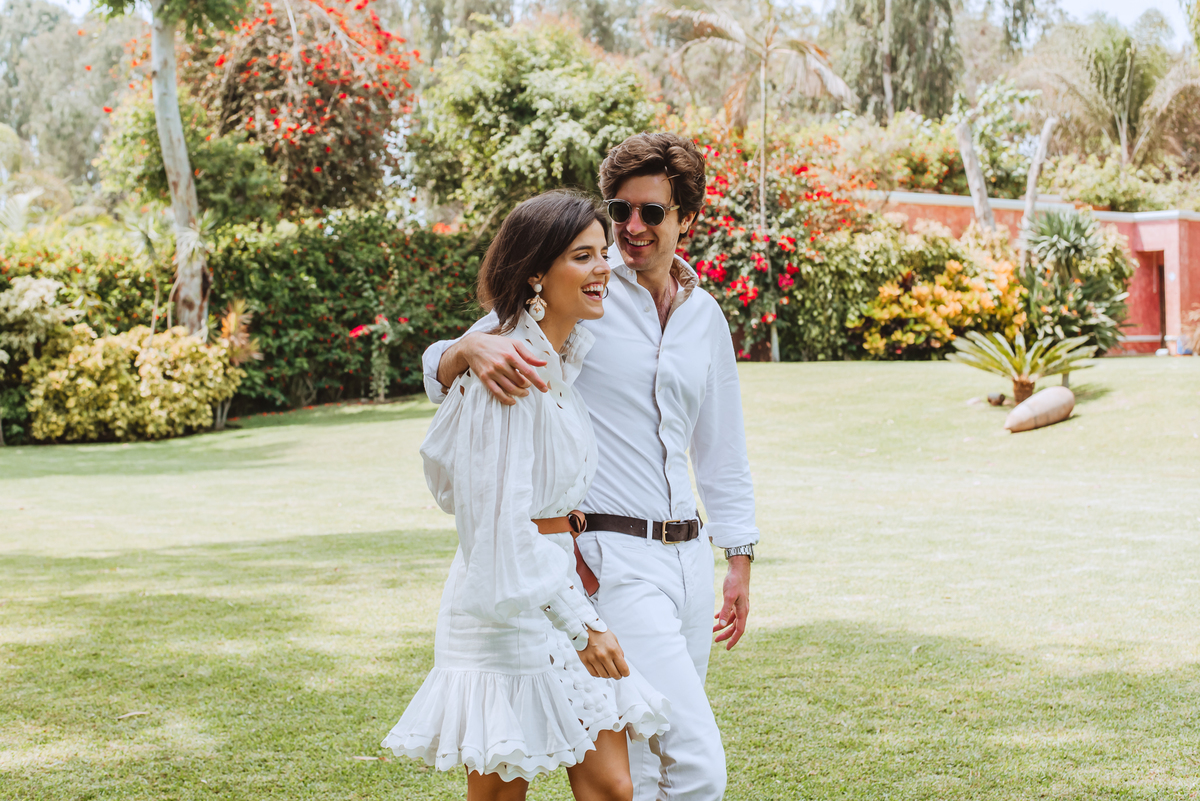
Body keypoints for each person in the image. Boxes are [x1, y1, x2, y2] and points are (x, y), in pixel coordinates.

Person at [423, 133, 759, 800]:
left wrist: (738, 556)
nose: (631, 229)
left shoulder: (704, 316)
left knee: (648, 760)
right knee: (692, 760)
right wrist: (464, 354)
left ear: (685, 219)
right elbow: (470, 344)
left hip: (688, 559)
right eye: (620, 210)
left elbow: (721, 444)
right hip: (609, 557)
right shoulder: (585, 293)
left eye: (651, 213)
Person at [382, 190, 670, 801]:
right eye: (583, 257)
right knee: (501, 794)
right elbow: (498, 525)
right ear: (537, 272)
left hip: (554, 581)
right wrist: (583, 626)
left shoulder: (558, 354)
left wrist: (461, 346)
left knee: (613, 787)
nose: (603, 270)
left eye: (603, 254)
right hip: (504, 605)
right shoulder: (507, 369)